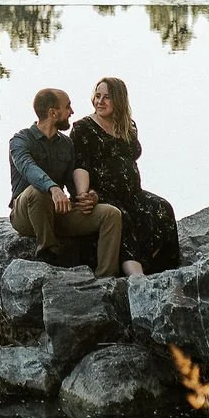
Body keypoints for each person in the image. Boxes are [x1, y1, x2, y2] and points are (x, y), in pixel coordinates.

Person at [9, 87, 125, 278]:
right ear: (53, 113)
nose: (72, 112)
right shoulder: (21, 140)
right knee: (37, 191)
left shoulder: (66, 144)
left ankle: (106, 278)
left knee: (110, 214)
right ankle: (49, 252)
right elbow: (28, 168)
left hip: (57, 214)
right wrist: (53, 188)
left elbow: (73, 183)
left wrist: (89, 196)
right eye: (68, 107)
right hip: (26, 215)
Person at [70, 76, 179, 277]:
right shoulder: (83, 127)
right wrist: (83, 194)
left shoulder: (129, 126)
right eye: (97, 96)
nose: (100, 101)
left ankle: (165, 271)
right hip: (101, 193)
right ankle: (136, 277)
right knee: (124, 217)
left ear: (119, 100)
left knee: (163, 208)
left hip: (132, 193)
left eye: (107, 97)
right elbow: (80, 165)